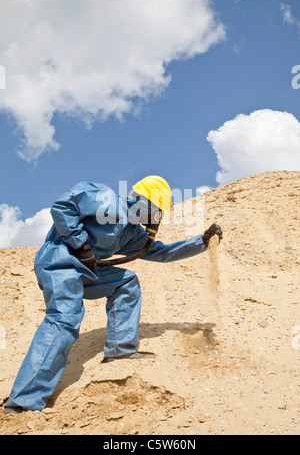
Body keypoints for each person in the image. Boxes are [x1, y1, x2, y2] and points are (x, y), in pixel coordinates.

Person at [4, 176, 222, 414]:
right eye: (157, 211)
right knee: (64, 319)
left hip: (87, 269)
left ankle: (120, 350)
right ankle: (23, 402)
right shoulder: (105, 199)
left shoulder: (133, 233)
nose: (156, 219)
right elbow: (63, 207)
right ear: (145, 202)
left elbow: (161, 253)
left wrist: (201, 242)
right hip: (59, 261)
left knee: (126, 282)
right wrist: (80, 244)